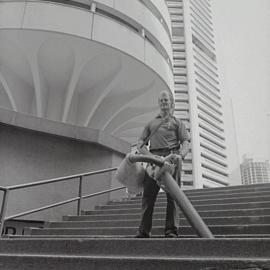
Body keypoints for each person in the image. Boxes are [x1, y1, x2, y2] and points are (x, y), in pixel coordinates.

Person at [135, 90, 190, 238]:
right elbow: (140, 143)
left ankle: (171, 230)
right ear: (158, 103)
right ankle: (143, 231)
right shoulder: (151, 123)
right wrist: (149, 156)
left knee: (173, 196)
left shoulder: (178, 123)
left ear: (171, 103)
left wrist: (180, 155)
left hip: (172, 159)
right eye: (161, 100)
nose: (164, 102)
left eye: (166, 100)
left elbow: (185, 141)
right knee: (148, 195)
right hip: (154, 160)